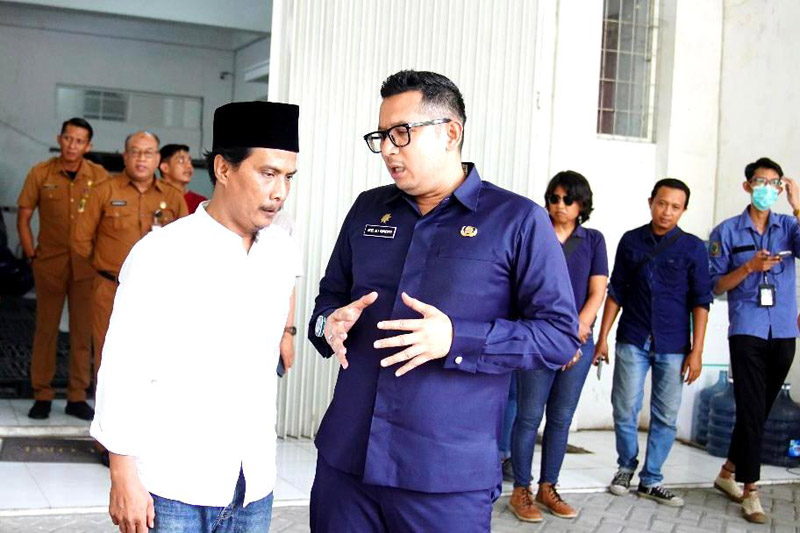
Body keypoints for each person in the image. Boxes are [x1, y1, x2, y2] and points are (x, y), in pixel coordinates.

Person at [306, 70, 579, 532]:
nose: (388, 149)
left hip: (444, 477)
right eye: (381, 136)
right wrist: (327, 322)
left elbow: (558, 337)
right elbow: (328, 298)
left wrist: (457, 339)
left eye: (401, 133)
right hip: (347, 462)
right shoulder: (368, 208)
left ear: (451, 133)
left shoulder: (517, 221)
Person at [90, 101, 302, 532]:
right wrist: (122, 474)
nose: (280, 191)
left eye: (288, 177)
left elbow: (284, 304)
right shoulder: (162, 252)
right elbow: (123, 366)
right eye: (267, 173)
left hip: (252, 482)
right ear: (223, 169)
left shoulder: (280, 251)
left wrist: (294, 330)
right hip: (172, 485)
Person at [594, 178, 712, 507]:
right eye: (662, 203)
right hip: (633, 337)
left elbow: (701, 301)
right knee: (624, 408)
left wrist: (697, 351)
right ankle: (625, 466)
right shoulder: (631, 240)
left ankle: (652, 479)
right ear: (650, 202)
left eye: (675, 207)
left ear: (684, 210)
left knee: (666, 416)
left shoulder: (692, 247)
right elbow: (616, 291)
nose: (667, 212)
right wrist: (602, 337)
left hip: (674, 345)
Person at [508, 171, 608, 522]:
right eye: (554, 198)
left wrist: (575, 335)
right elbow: (520, 289)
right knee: (528, 416)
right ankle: (521, 490)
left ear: (582, 204)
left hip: (579, 339)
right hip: (536, 339)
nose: (560, 205)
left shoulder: (593, 240)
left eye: (568, 199)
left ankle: (548, 487)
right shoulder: (534, 234)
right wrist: (556, 337)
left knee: (561, 418)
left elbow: (597, 292)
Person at [707, 157, 800, 524]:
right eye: (761, 182)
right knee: (750, 409)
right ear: (747, 186)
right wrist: (748, 267)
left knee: (758, 411)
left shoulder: (789, 226)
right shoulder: (727, 231)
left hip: (784, 329)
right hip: (747, 327)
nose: (768, 189)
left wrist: (798, 205)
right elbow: (716, 285)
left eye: (775, 183)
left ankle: (727, 472)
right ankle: (751, 491)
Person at [73, 131, 188, 376]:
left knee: (152, 357)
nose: (141, 158)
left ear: (158, 159)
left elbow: (187, 245)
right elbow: (80, 240)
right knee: (107, 356)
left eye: (148, 153)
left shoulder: (173, 197)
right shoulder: (103, 191)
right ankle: (104, 403)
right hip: (110, 288)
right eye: (135, 152)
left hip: (158, 291)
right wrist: (105, 268)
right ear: (125, 157)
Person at [17, 117, 109, 420]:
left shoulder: (99, 176)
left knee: (83, 333)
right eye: (68, 138)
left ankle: (76, 396)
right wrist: (31, 254)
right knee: (46, 330)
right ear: (60, 139)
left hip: (86, 267)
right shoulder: (41, 172)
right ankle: (42, 394)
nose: (72, 145)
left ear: (88, 146)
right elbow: (24, 216)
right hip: (49, 265)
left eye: (79, 141)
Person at [159, 143, 207, 214]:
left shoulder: (200, 203)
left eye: (190, 161)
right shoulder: (152, 197)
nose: (189, 166)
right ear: (165, 167)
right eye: (181, 161)